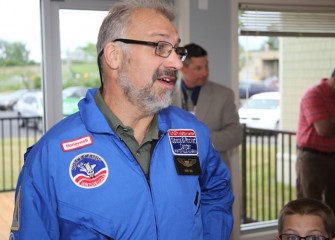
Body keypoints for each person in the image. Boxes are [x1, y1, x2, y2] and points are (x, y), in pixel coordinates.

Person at [9, 0, 234, 239]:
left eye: (177, 50)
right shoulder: (51, 155)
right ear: (114, 56)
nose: (177, 63)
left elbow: (217, 191)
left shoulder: (192, 131)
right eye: (160, 46)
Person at [172, 43, 242, 169]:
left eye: (206, 66)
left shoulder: (224, 94)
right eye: (198, 68)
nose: (205, 73)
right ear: (182, 68)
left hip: (213, 174)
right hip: (175, 174)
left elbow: (236, 134)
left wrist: (199, 140)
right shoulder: (166, 94)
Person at [296, 69, 335, 213]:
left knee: (333, 205)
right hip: (312, 158)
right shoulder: (314, 94)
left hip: (333, 155)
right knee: (309, 204)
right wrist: (328, 122)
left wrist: (331, 121)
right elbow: (324, 129)